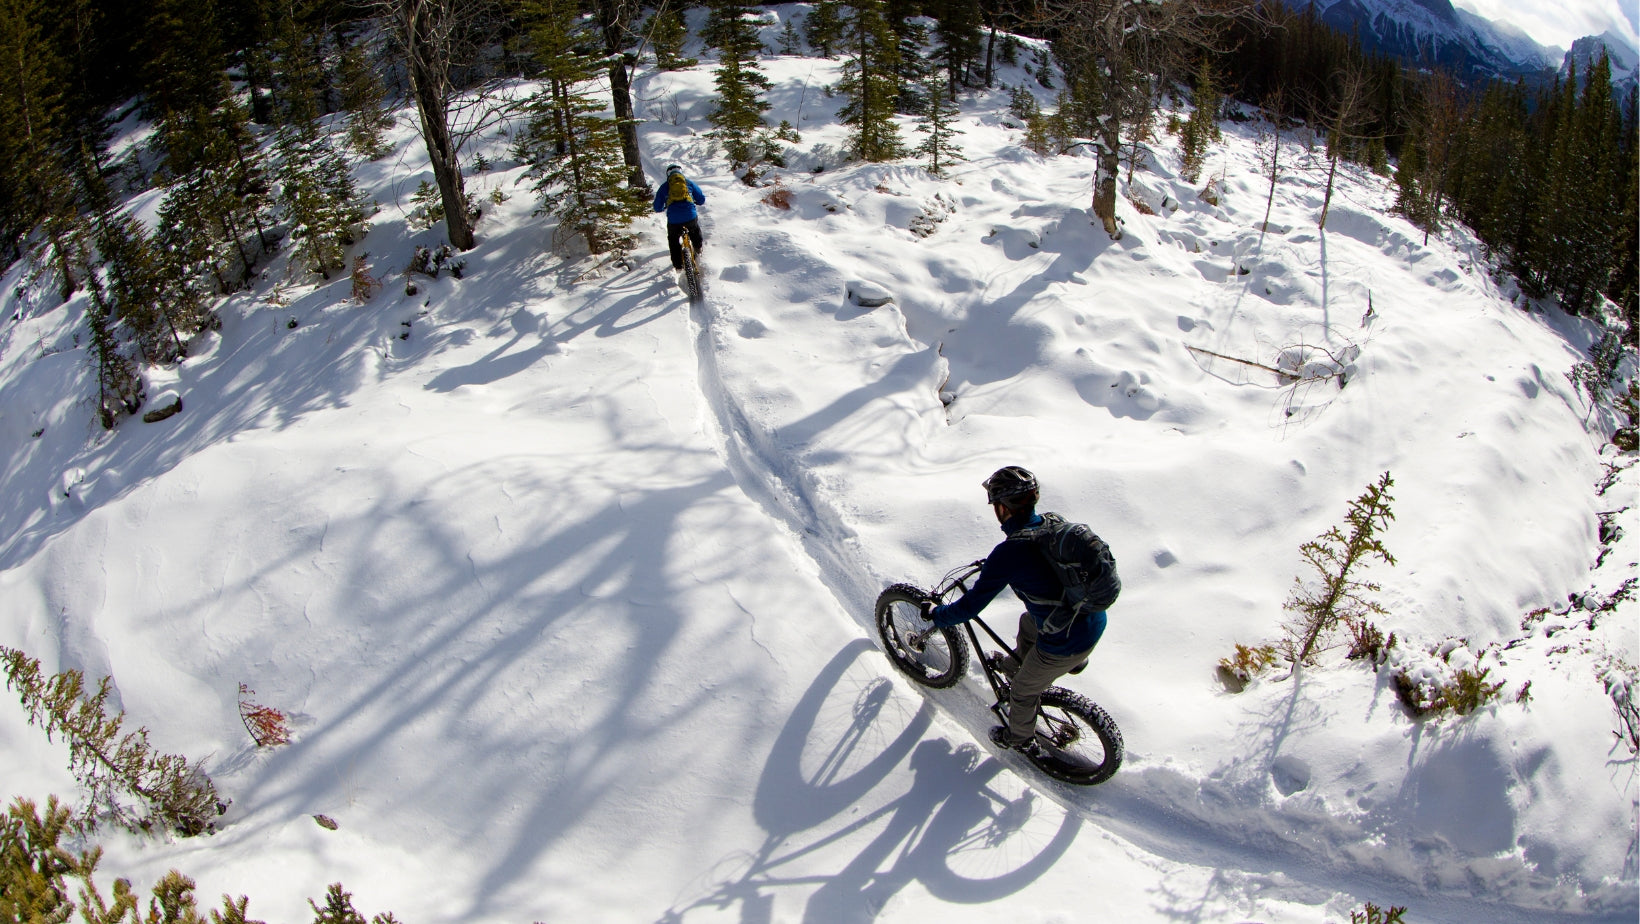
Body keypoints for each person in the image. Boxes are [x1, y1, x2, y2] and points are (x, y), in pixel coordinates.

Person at [924, 466, 1108, 755]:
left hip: (1066, 640)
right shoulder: (1051, 523)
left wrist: (938, 615)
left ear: (1002, 508)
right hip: (1090, 617)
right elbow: (1042, 565)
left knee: (1023, 692)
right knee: (1028, 622)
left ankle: (1019, 738)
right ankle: (1017, 665)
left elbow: (970, 608)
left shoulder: (1010, 553)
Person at [653, 163, 706, 271]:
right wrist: (697, 201)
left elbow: (657, 207)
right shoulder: (688, 183)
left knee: (673, 240)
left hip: (674, 220)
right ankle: (698, 247)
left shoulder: (664, 187)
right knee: (694, 229)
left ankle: (678, 266)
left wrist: (662, 208)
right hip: (690, 215)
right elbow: (701, 199)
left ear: (668, 174)